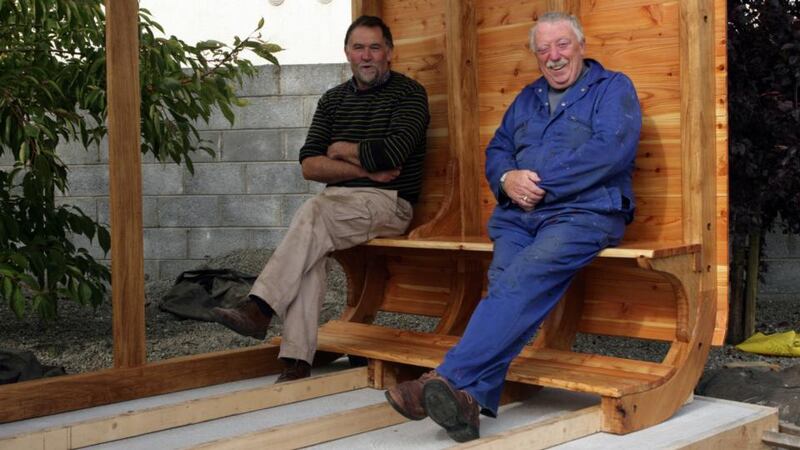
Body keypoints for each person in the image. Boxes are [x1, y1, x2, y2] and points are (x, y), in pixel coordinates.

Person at [384, 12, 641, 442]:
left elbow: (609, 152)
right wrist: (506, 180)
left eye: (561, 46)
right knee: (506, 284)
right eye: (543, 50)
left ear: (580, 45)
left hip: (586, 214)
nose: (553, 57)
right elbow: (498, 148)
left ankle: (443, 378)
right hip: (520, 217)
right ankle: (468, 403)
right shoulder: (527, 97)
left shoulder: (613, 88)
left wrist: (538, 183)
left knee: (519, 282)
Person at [210, 15, 430, 383]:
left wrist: (341, 149)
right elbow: (310, 165)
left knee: (314, 213)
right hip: (340, 206)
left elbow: (393, 156)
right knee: (312, 248)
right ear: (347, 52)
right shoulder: (332, 101)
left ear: (389, 53)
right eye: (359, 47)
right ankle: (297, 360)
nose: (367, 56)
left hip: (389, 203)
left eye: (375, 47)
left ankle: (261, 306)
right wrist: (364, 167)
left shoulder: (409, 95)